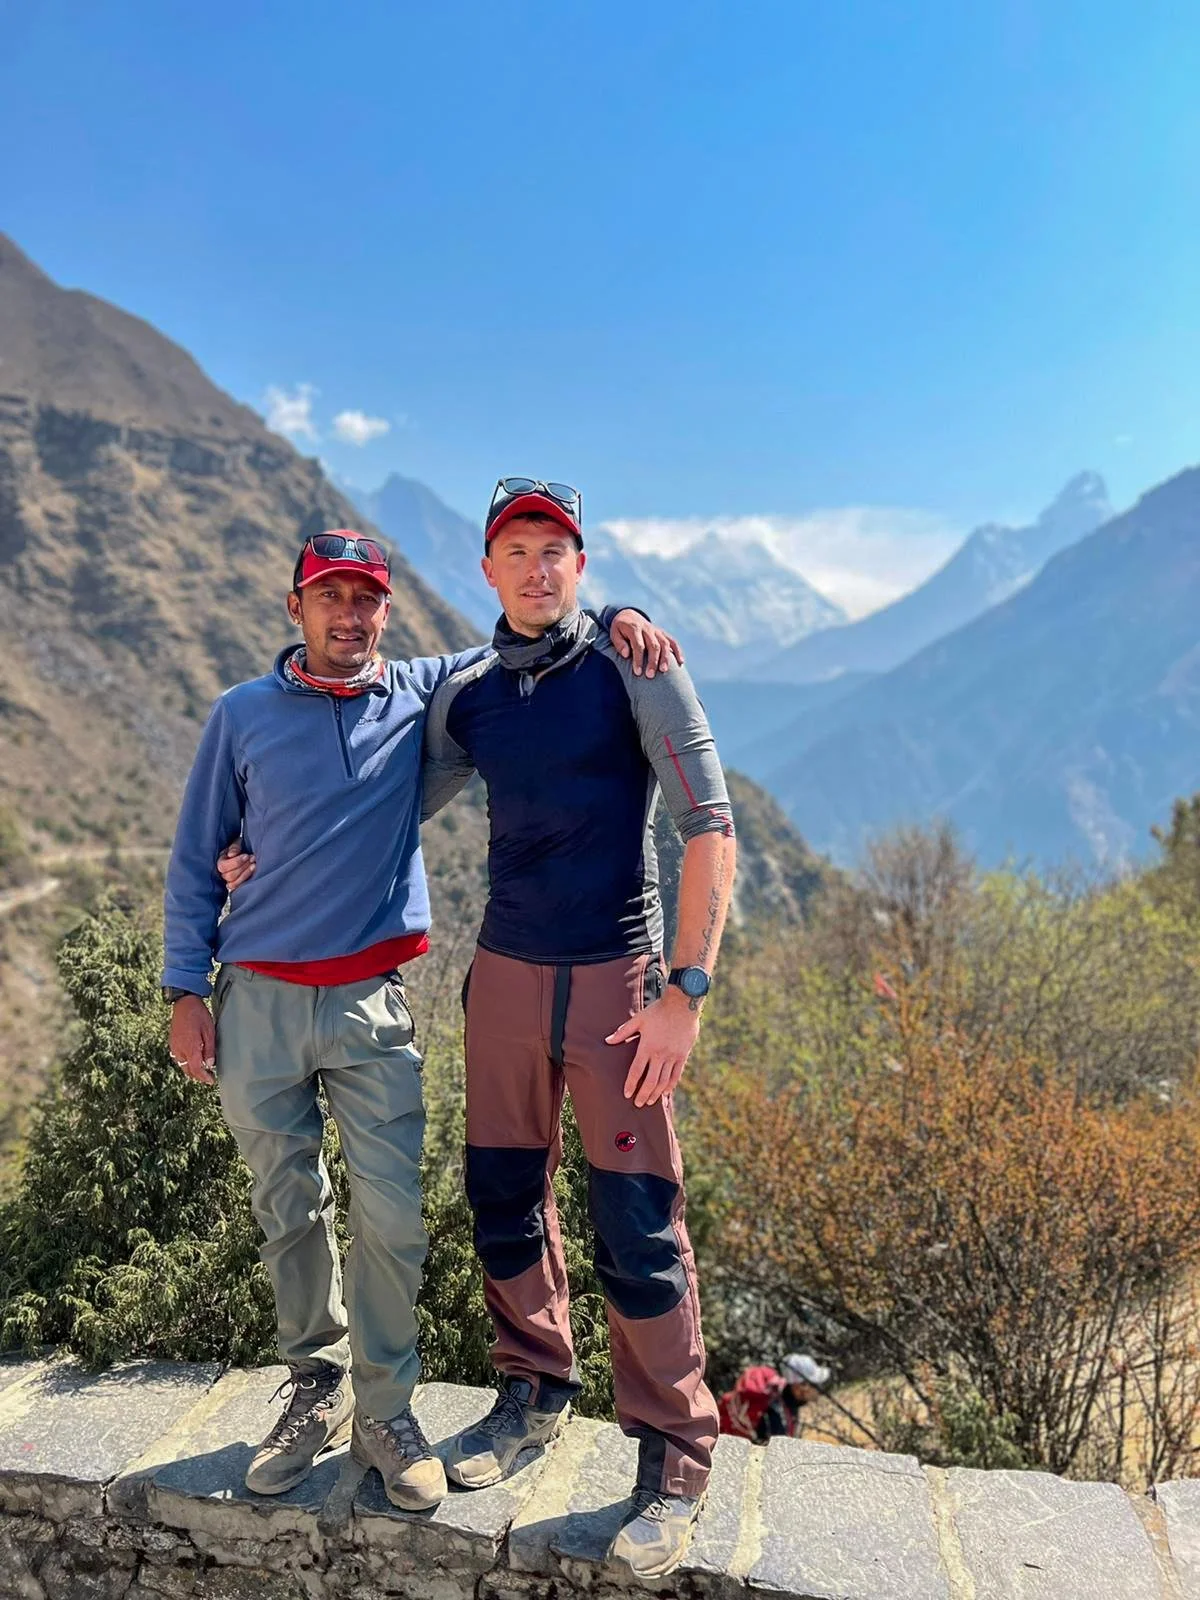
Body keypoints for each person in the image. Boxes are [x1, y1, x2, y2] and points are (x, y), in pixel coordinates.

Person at [163, 527, 674, 1511]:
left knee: (393, 1213)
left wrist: (619, 616)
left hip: (370, 1000)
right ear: (296, 609)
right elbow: (196, 859)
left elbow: (533, 627)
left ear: (386, 613)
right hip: (256, 999)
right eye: (329, 598)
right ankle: (315, 1387)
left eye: (366, 600)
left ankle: (385, 1414)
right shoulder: (240, 716)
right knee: (289, 1210)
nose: (348, 615)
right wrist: (187, 990)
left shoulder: (426, 695)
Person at [419, 476, 737, 1582]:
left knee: (637, 1223)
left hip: (619, 980)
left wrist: (685, 991)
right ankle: (533, 1388)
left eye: (558, 548)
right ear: (489, 571)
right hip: (504, 974)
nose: (539, 565)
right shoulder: (471, 694)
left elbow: (710, 821)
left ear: (582, 566)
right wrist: (258, 857)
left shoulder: (634, 665)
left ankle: (677, 1449)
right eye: (519, 548)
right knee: (503, 1195)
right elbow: (378, 801)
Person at [718, 1352, 831, 1443]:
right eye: (816, 1384)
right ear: (802, 1386)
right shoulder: (777, 1419)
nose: (819, 1389)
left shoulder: (783, 1397)